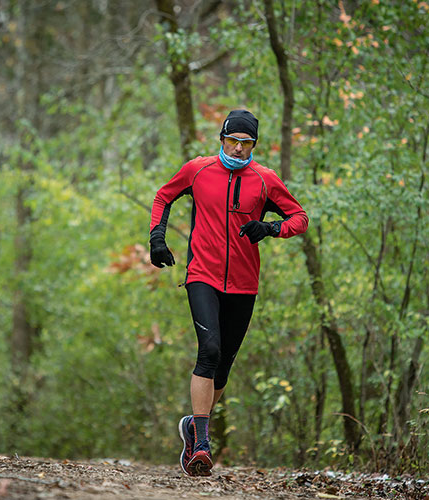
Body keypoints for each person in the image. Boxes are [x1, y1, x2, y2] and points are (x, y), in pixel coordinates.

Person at [149, 109, 308, 477]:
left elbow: (300, 217)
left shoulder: (265, 180)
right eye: (232, 141)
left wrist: (270, 229)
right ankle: (202, 445)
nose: (238, 149)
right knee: (210, 351)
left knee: (224, 366)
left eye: (246, 143)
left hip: (243, 284)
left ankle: (193, 426)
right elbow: (163, 196)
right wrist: (158, 236)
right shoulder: (199, 170)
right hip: (201, 275)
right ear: (221, 139)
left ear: (254, 145)